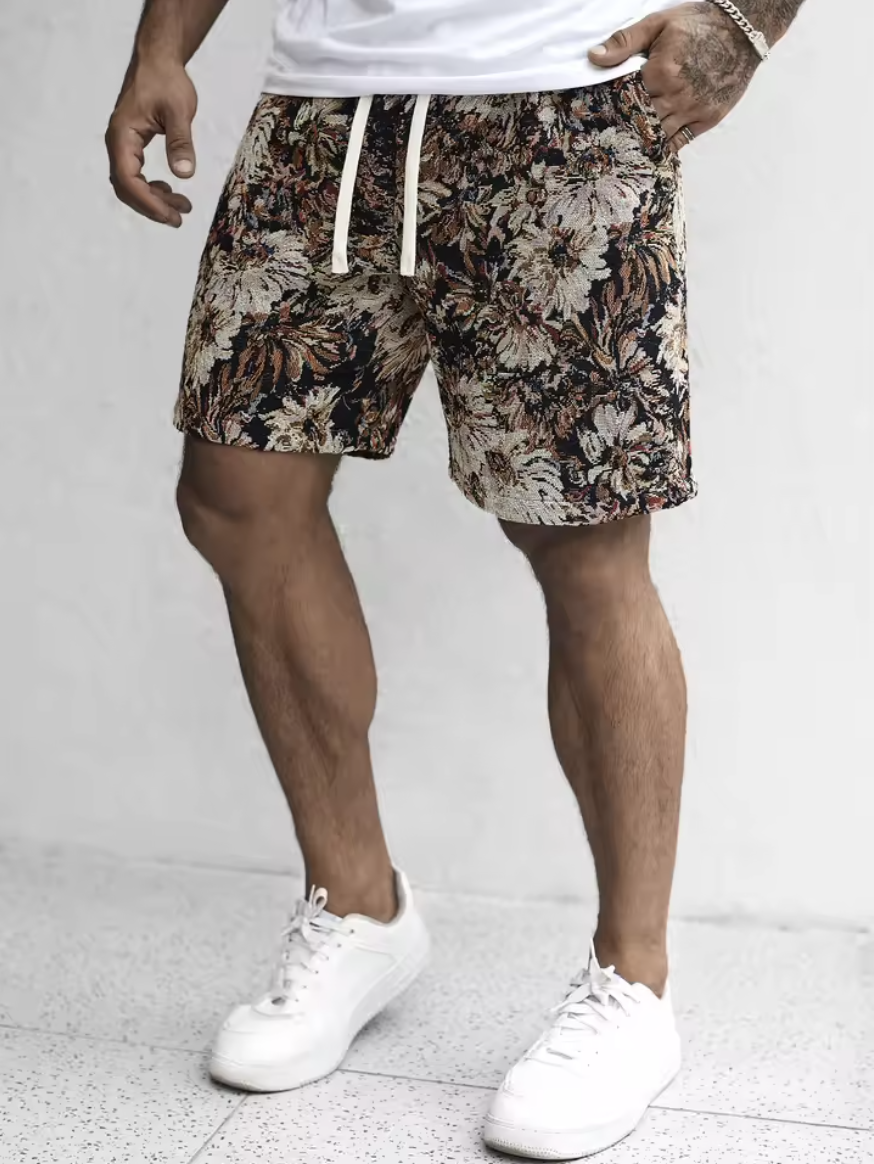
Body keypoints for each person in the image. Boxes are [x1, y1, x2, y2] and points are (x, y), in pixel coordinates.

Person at [106, 0, 805, 1157]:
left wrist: (745, 20)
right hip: (324, 107)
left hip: (563, 98)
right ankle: (358, 906)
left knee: (581, 540)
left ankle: (632, 982)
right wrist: (160, 47)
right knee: (238, 494)